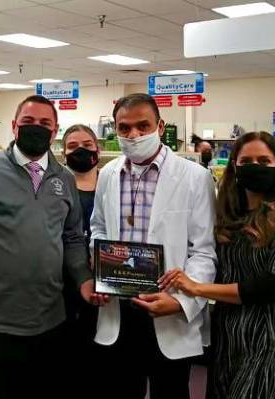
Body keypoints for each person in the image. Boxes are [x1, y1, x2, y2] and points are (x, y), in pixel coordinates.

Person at [0, 95, 102, 399]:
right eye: (28, 122)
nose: (36, 129)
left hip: (49, 321)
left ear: (55, 130)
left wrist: (84, 277)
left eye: (45, 124)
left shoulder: (64, 179)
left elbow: (71, 238)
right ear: (15, 126)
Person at [160, 131, 275, 399]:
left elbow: (270, 286)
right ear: (234, 167)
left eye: (264, 161)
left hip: (270, 338)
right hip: (228, 335)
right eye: (246, 160)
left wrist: (197, 288)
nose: (255, 167)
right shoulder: (229, 217)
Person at [89, 93, 217, 399]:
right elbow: (98, 227)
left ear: (160, 126)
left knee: (170, 391)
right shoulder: (107, 175)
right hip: (119, 309)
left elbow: (203, 250)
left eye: (142, 126)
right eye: (124, 128)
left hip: (168, 307)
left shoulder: (195, 177)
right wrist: (100, 268)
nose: (133, 135)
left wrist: (182, 302)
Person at [61, 124, 102, 391]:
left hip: (104, 283)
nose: (81, 151)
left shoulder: (111, 182)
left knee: (99, 360)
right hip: (62, 284)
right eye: (73, 146)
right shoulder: (56, 186)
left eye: (87, 144)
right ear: (63, 152)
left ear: (97, 148)